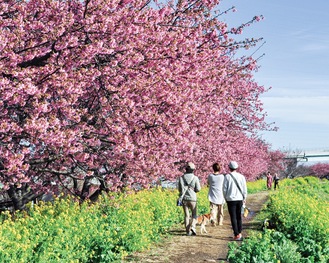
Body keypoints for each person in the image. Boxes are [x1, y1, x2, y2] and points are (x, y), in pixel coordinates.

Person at [223, 161, 247, 241]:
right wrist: (244, 198)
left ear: (229, 168)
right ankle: (239, 232)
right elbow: (244, 189)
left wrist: (225, 198)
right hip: (239, 198)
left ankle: (236, 234)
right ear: (237, 168)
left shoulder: (227, 177)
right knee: (239, 216)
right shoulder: (241, 176)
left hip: (230, 199)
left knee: (233, 217)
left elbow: (224, 189)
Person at [177, 162, 201, 236]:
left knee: (186, 215)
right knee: (194, 215)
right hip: (193, 198)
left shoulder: (181, 178)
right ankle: (193, 227)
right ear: (193, 170)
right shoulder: (195, 178)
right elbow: (198, 189)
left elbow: (179, 189)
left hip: (184, 198)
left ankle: (187, 231)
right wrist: (194, 190)